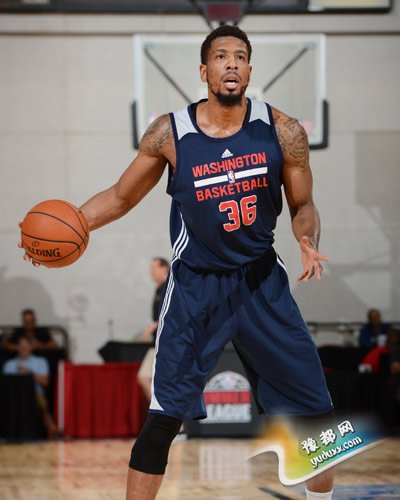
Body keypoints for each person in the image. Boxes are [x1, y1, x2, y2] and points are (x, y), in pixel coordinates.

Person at [21, 25, 335, 500]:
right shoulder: (170, 133)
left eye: (240, 57)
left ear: (250, 70)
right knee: (163, 420)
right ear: (204, 70)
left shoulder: (284, 130)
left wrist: (307, 240)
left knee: (317, 419)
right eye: (221, 56)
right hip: (195, 287)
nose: (231, 63)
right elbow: (121, 197)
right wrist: (73, 225)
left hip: (260, 282)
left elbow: (303, 205)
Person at [2, 336, 57, 438]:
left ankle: (50, 426)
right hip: (13, 397)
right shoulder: (9, 364)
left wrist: (29, 373)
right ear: (17, 347)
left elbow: (45, 382)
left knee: (41, 401)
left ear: (31, 347)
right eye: (21, 346)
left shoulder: (40, 361)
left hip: (34, 393)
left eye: (26, 346)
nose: (23, 349)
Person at [138, 257, 170, 402]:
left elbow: (171, 314)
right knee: (144, 377)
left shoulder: (169, 288)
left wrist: (154, 325)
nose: (151, 271)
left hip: (166, 343)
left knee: (159, 381)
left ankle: (162, 411)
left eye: (154, 268)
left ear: (164, 268)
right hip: (156, 343)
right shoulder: (158, 289)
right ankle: (159, 410)